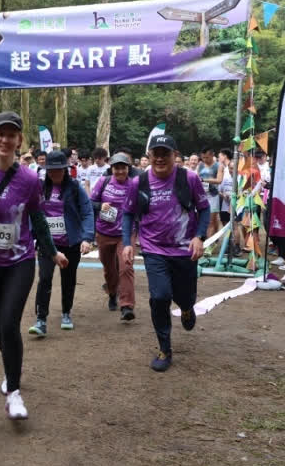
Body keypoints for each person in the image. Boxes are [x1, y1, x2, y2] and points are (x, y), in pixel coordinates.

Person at [0, 111, 67, 419]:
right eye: (1, 134)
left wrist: (52, 253)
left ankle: (15, 393)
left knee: (9, 323)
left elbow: (38, 218)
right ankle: (11, 369)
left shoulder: (30, 179)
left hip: (20, 260)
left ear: (19, 140)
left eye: (12, 135)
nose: (5, 140)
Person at [122, 135, 210, 372]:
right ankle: (164, 348)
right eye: (156, 154)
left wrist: (199, 237)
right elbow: (128, 213)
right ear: (149, 156)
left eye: (165, 153)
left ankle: (187, 308)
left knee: (185, 296)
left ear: (175, 155)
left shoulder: (189, 178)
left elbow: (204, 209)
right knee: (160, 296)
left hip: (184, 250)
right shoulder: (138, 182)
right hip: (154, 249)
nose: (160, 158)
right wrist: (127, 243)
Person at [28, 151, 94, 337]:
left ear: (65, 170)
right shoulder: (40, 188)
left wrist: (87, 237)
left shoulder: (75, 188)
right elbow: (32, 213)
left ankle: (66, 312)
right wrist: (31, 236)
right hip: (48, 244)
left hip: (70, 243)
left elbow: (87, 211)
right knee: (45, 278)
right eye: (51, 170)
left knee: (68, 279)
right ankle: (41, 319)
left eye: (58, 170)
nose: (54, 173)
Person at [92, 153, 137, 321]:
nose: (120, 171)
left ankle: (127, 306)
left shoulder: (134, 185)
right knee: (109, 269)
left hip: (126, 234)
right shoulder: (103, 182)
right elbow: (90, 202)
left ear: (128, 169)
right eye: (116, 168)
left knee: (126, 267)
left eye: (123, 168)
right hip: (104, 232)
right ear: (111, 169)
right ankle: (112, 293)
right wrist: (100, 205)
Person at [198, 147, 223, 238]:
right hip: (201, 196)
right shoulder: (200, 165)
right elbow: (197, 177)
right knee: (200, 220)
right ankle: (203, 240)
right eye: (203, 157)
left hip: (213, 196)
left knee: (211, 221)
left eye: (207, 157)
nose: (205, 159)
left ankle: (209, 243)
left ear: (212, 155)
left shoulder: (218, 166)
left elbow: (219, 180)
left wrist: (204, 180)